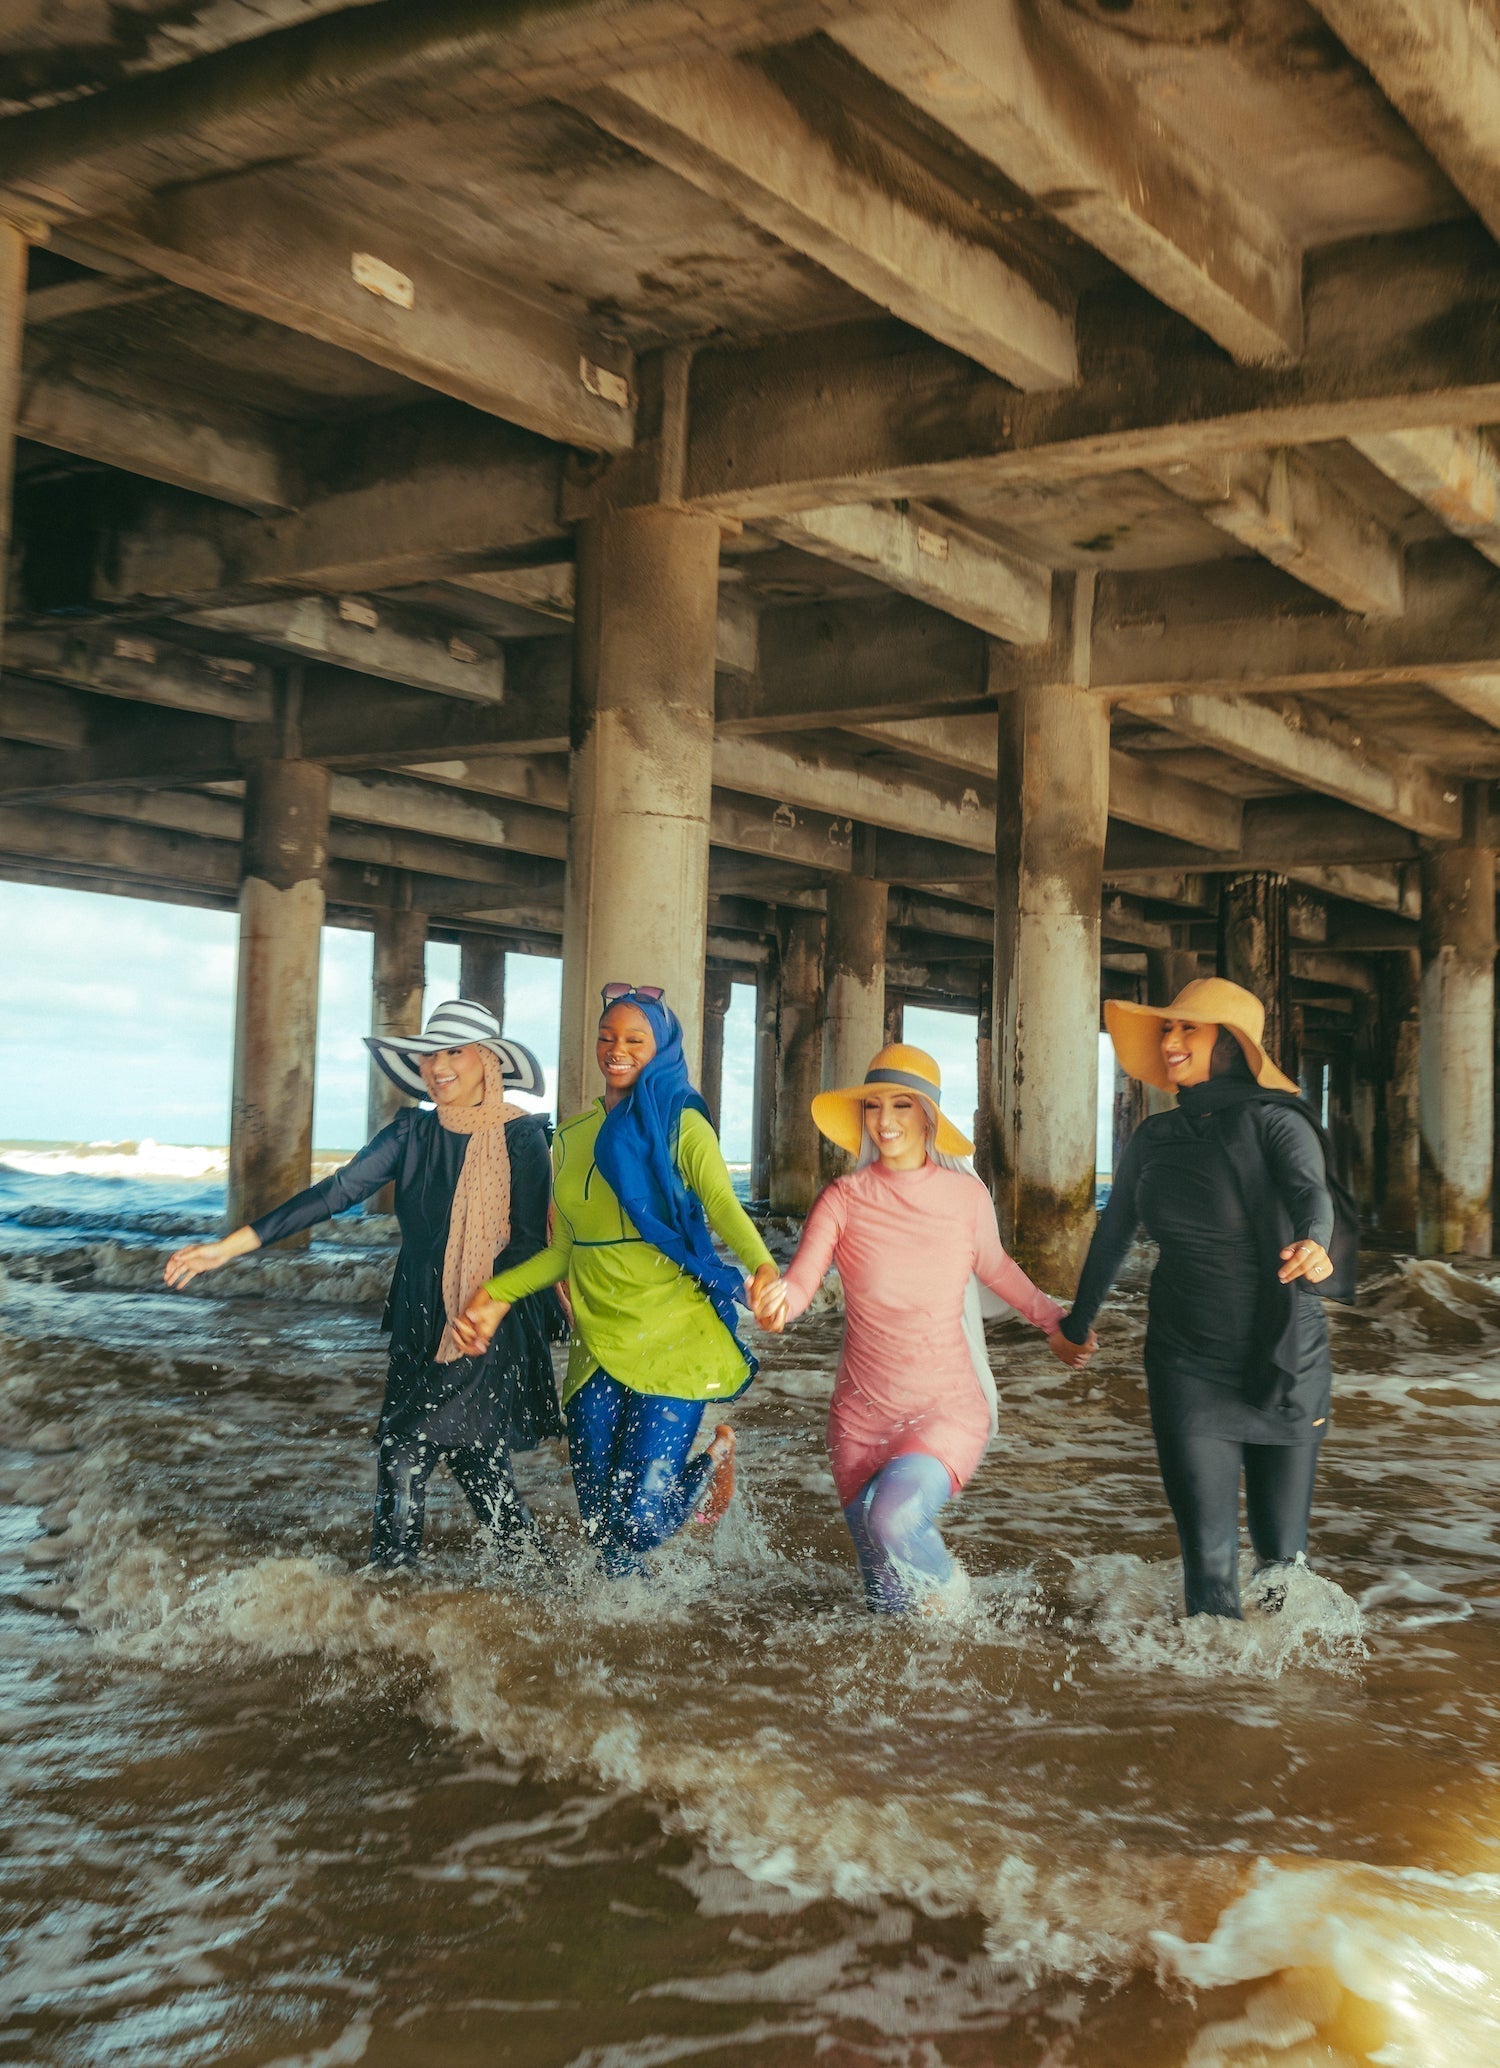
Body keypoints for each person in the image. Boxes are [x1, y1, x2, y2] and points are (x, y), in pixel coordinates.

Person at [164, 999, 564, 1573]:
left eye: (453, 1052)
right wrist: (229, 1246)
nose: (438, 1066)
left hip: (485, 1319)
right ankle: (550, 1585)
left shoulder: (522, 1138)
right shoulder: (410, 1131)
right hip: (419, 1316)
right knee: (480, 1470)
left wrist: (490, 1302)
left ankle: (388, 1584)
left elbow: (530, 1242)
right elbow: (335, 1193)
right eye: (430, 1055)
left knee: (405, 1447)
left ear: (487, 1061)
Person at [454, 984, 780, 1578]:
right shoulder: (573, 1136)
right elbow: (563, 1252)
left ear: (660, 1047)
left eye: (635, 1039)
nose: (617, 1049)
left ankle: (715, 1458)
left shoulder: (681, 1125)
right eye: (607, 1037)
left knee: (639, 1521)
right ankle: (627, 1645)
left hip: (673, 1336)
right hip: (597, 1342)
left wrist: (763, 1268)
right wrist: (495, 1295)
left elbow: (724, 1206)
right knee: (605, 1531)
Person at [1057, 976, 1353, 1620]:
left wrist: (1316, 1245)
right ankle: (1207, 1709)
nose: (1170, 1040)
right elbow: (1114, 1233)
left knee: (1284, 1568)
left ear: (1230, 1045)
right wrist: (1075, 1323)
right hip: (1186, 1360)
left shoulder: (1278, 1120)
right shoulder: (1154, 1139)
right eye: (1167, 1028)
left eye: (1188, 1027)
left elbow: (1312, 1195)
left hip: (1285, 1357)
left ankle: (1285, 1709)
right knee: (1210, 1569)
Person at [755, 1044, 1081, 1614]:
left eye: (901, 1105)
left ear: (927, 1114)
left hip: (945, 1410)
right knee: (884, 1598)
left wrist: (1053, 1320)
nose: (884, 1121)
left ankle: (954, 1591)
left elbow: (997, 1268)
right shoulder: (842, 1200)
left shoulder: (965, 1196)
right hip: (858, 1420)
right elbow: (802, 1284)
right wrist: (776, 1302)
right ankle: (921, 1696)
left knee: (896, 1519)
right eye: (874, 1106)